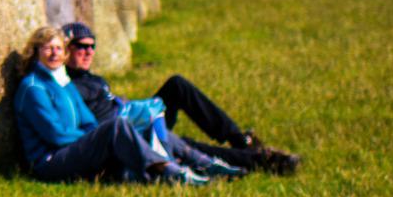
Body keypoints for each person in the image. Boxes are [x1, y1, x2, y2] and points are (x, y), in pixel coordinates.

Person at [58, 22, 298, 174]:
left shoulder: (92, 79)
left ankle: (238, 139)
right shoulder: (68, 86)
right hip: (127, 137)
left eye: (92, 46)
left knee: (177, 86)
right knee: (187, 146)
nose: (89, 51)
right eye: (81, 46)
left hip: (134, 120)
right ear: (66, 49)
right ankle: (260, 160)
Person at [13, 25, 204, 185]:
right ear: (36, 52)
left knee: (129, 136)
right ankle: (166, 169)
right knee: (116, 127)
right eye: (48, 48)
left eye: (58, 48)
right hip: (50, 161)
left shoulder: (63, 81)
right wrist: (90, 139)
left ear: (64, 53)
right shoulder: (33, 87)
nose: (54, 53)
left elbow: (88, 119)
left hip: (71, 149)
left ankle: (191, 167)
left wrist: (93, 137)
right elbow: (56, 134)